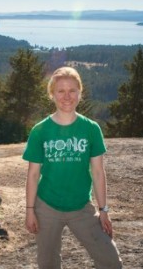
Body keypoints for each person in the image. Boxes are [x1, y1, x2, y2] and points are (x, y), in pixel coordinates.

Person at [23, 67, 122, 269]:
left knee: (111, 261)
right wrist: (30, 210)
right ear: (52, 94)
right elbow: (33, 175)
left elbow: (97, 172)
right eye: (60, 91)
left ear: (80, 93)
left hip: (81, 207)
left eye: (72, 90)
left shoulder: (91, 129)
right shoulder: (40, 130)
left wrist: (104, 210)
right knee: (48, 264)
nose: (67, 96)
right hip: (47, 206)